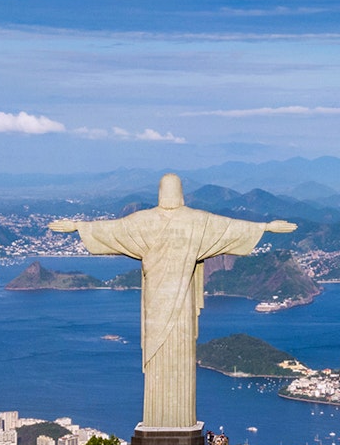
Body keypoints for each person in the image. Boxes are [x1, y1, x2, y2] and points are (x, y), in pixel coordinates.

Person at [48, 174, 297, 429]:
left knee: (167, 355)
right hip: (178, 304)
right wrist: (264, 227)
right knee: (176, 355)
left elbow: (110, 229)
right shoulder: (195, 221)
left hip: (157, 302)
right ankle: (173, 419)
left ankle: (166, 419)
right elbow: (229, 228)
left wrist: (79, 226)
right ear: (180, 193)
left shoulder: (145, 222)